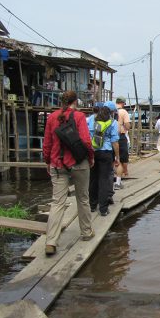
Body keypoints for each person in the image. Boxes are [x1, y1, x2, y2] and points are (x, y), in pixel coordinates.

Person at [43, 90, 94, 256]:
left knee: (57, 202)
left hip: (57, 163)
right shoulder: (79, 117)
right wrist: (91, 157)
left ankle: (51, 242)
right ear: (75, 102)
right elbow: (86, 141)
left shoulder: (51, 117)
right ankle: (86, 233)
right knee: (83, 198)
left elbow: (47, 143)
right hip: (79, 163)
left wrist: (47, 161)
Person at [88, 104, 120, 217]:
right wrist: (117, 157)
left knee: (93, 179)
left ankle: (92, 206)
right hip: (106, 153)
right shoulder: (113, 123)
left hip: (92, 152)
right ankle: (103, 209)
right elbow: (115, 142)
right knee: (104, 180)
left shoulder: (90, 120)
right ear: (111, 112)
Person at [115, 97, 131, 189]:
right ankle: (118, 182)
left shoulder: (110, 110)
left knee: (112, 159)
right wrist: (127, 127)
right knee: (121, 159)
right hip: (120, 136)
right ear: (123, 103)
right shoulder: (123, 112)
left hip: (108, 137)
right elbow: (128, 125)